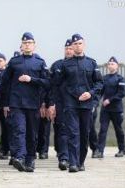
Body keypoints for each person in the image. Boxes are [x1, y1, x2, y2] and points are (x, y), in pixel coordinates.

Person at [50, 34, 103, 172]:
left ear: (84, 45)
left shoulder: (91, 63)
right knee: (73, 133)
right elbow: (56, 85)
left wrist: (90, 94)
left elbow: (99, 83)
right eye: (75, 44)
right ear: (71, 47)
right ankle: (73, 163)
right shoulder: (65, 65)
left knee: (84, 133)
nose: (77, 46)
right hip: (70, 104)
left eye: (80, 43)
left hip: (86, 104)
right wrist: (53, 103)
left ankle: (80, 162)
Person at [0, 32, 50, 172]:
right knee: (19, 130)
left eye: (30, 43)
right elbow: (5, 83)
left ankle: (30, 159)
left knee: (31, 133)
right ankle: (19, 157)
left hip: (33, 103)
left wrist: (31, 80)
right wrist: (3, 102)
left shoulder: (40, 63)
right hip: (16, 103)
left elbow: (47, 82)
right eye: (25, 43)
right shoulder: (14, 62)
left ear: (34, 45)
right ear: (21, 45)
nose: (27, 45)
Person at [48, 39, 74, 170]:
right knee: (61, 130)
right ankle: (64, 158)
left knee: (74, 131)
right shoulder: (57, 65)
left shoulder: (80, 64)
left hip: (76, 104)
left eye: (71, 48)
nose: (69, 50)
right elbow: (51, 86)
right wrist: (51, 104)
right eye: (67, 48)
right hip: (60, 103)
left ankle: (73, 157)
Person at [95, 56, 125, 158]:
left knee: (118, 130)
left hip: (116, 110)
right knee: (103, 130)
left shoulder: (120, 79)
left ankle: (122, 150)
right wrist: (96, 102)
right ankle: (100, 151)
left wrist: (110, 100)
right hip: (105, 110)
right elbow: (100, 92)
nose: (110, 65)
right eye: (109, 64)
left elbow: (122, 93)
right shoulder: (104, 78)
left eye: (112, 64)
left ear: (117, 66)